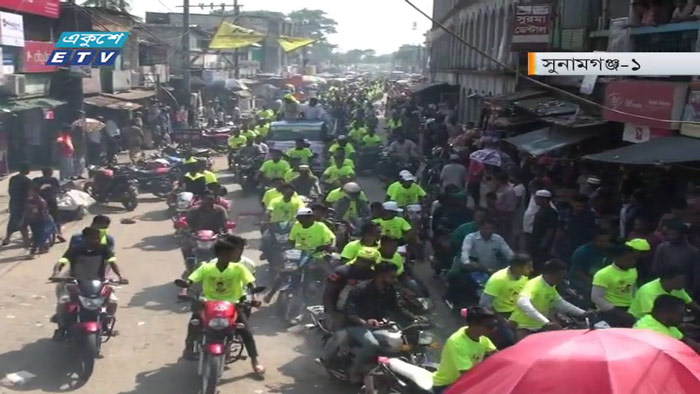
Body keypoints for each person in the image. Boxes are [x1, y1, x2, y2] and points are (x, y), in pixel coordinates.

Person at [182, 235, 265, 374]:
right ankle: (189, 347)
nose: (236, 253)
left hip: (234, 304)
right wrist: (187, 288)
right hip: (208, 302)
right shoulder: (207, 267)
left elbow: (250, 282)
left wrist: (253, 295)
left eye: (237, 250)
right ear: (221, 253)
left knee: (245, 332)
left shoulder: (240, 267)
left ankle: (254, 360)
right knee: (195, 322)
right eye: (232, 251)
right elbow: (193, 279)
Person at [343, 263, 417, 382]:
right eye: (392, 277)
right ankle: (354, 371)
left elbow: (397, 308)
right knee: (372, 344)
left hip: (379, 325)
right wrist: (363, 321)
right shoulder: (361, 288)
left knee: (399, 343)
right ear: (380, 275)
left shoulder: (390, 289)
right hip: (355, 325)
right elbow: (349, 310)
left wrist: (414, 319)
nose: (395, 279)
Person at [51, 227, 126, 336]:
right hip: (75, 282)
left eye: (97, 238)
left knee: (113, 302)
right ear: (84, 238)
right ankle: (61, 326)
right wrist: (56, 273)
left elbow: (113, 263)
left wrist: (121, 276)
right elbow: (61, 262)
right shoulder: (75, 249)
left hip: (98, 282)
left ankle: (107, 324)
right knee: (63, 301)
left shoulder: (104, 249)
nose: (96, 240)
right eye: (93, 238)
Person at [509, 260, 587, 341]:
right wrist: (546, 322)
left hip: (539, 326)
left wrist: (583, 313)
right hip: (524, 327)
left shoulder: (550, 286)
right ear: (550, 274)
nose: (561, 280)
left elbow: (559, 303)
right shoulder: (534, 285)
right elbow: (522, 303)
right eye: (559, 277)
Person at [432, 307, 498, 394]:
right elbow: (466, 374)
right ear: (475, 325)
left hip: (465, 380)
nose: (494, 329)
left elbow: (497, 354)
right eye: (490, 326)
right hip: (448, 384)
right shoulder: (457, 342)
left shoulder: (481, 337)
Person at [591, 238, 649, 327]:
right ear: (617, 257)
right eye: (628, 260)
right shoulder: (603, 274)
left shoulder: (633, 270)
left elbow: (633, 289)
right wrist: (616, 312)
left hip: (629, 309)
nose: (632, 262)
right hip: (610, 311)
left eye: (634, 259)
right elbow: (596, 297)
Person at [480, 254, 533, 347]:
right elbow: (484, 304)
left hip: (516, 311)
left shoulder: (524, 277)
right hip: (499, 313)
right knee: (509, 339)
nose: (531, 269)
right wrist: (503, 320)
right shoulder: (498, 279)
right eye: (528, 267)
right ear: (517, 267)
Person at [628, 266, 700, 319]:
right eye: (679, 281)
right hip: (640, 320)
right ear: (667, 280)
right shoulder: (648, 291)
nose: (683, 283)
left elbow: (691, 304)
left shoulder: (678, 289)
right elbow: (653, 317)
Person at [651, 221, 700, 294]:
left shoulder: (693, 252)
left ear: (684, 235)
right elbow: (656, 268)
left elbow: (696, 275)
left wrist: (692, 291)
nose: (671, 237)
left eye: (674, 234)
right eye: (669, 234)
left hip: (684, 289)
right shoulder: (662, 248)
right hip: (664, 286)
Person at [568, 229, 613, 306]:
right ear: (594, 240)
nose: (604, 244)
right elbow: (578, 272)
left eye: (606, 241)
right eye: (601, 241)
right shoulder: (582, 252)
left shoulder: (610, 250)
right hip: (581, 281)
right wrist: (594, 283)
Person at [557, 194, 597, 261]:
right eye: (578, 206)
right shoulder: (564, 213)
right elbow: (560, 229)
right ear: (572, 203)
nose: (580, 208)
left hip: (582, 244)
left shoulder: (590, 215)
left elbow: (593, 230)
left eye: (583, 206)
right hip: (566, 245)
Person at [3, 162, 31, 246]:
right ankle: (26, 240)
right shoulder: (27, 181)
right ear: (27, 170)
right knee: (24, 222)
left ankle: (7, 238)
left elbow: (10, 190)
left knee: (13, 220)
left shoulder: (13, 178)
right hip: (22, 203)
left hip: (13, 202)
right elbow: (28, 193)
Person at [530, 190, 559, 272]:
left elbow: (551, 229)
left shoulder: (551, 212)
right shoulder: (540, 209)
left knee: (541, 262)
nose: (535, 200)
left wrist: (544, 243)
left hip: (542, 242)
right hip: (535, 239)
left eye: (537, 198)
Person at [34, 167, 65, 243]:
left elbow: (33, 190)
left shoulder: (36, 180)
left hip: (40, 202)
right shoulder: (53, 180)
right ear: (50, 173)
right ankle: (59, 233)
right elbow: (58, 189)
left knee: (38, 218)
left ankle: (35, 235)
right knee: (56, 217)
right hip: (51, 201)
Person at [25, 185, 54, 255]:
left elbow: (41, 212)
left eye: (30, 191)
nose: (29, 192)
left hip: (40, 221)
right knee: (37, 235)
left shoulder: (41, 201)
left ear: (35, 192)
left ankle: (33, 250)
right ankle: (41, 247)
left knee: (37, 236)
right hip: (33, 221)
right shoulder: (30, 200)